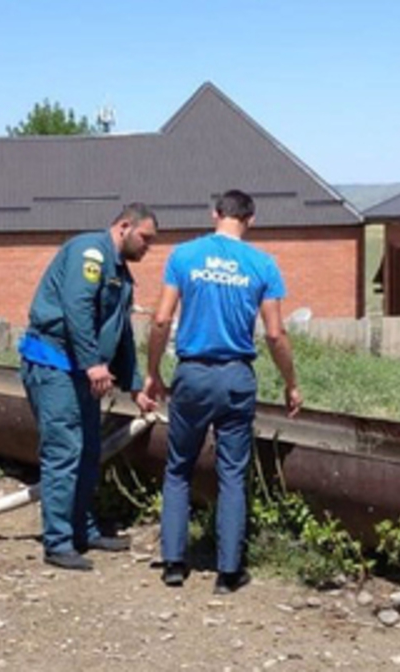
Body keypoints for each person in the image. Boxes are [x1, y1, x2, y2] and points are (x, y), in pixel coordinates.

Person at [143, 189, 302, 595]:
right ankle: (228, 573)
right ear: (250, 220)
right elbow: (274, 333)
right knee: (232, 474)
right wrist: (291, 383)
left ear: (215, 213)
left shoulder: (183, 256)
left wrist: (153, 372)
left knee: (178, 468)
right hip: (236, 377)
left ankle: (174, 565)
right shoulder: (263, 264)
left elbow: (160, 320)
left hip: (193, 374)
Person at [19, 203, 159, 571]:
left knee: (88, 452)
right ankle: (58, 542)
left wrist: (134, 386)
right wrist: (94, 363)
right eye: (145, 238)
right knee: (64, 452)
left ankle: (84, 530)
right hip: (54, 366)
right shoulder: (89, 252)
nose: (148, 247)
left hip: (79, 373)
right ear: (124, 226)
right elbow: (77, 307)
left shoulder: (120, 274)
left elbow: (122, 331)